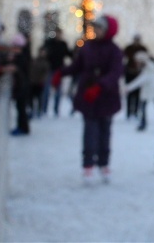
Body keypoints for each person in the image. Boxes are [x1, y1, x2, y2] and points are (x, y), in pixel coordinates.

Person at [51, 15, 122, 184]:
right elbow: (78, 65)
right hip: (88, 96)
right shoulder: (88, 47)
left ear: (107, 31)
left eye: (99, 28)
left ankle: (103, 163)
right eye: (94, 27)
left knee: (104, 131)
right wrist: (62, 72)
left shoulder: (114, 51)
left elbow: (115, 73)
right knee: (90, 131)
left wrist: (100, 86)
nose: (95, 30)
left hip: (106, 97)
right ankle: (88, 165)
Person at [124, 51, 154, 131]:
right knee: (151, 108)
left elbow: (140, 80)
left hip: (153, 92)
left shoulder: (148, 69)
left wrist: (128, 88)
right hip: (149, 92)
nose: (137, 64)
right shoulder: (148, 68)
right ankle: (145, 123)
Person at [44, 29, 72, 117]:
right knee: (46, 90)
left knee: (58, 92)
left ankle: (56, 110)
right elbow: (45, 53)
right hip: (50, 69)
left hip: (59, 70)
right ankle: (44, 109)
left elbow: (69, 54)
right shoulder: (50, 43)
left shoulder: (63, 44)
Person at [123, 34, 149, 120]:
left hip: (138, 74)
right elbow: (123, 58)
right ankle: (129, 113)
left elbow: (147, 59)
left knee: (138, 95)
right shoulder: (128, 48)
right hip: (130, 73)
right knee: (130, 94)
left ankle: (136, 112)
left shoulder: (143, 49)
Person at [29, 47, 50, 119]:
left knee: (39, 98)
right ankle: (32, 110)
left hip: (40, 83)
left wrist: (42, 80)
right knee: (32, 98)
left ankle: (39, 111)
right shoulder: (35, 61)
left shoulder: (45, 63)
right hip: (33, 82)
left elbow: (46, 73)